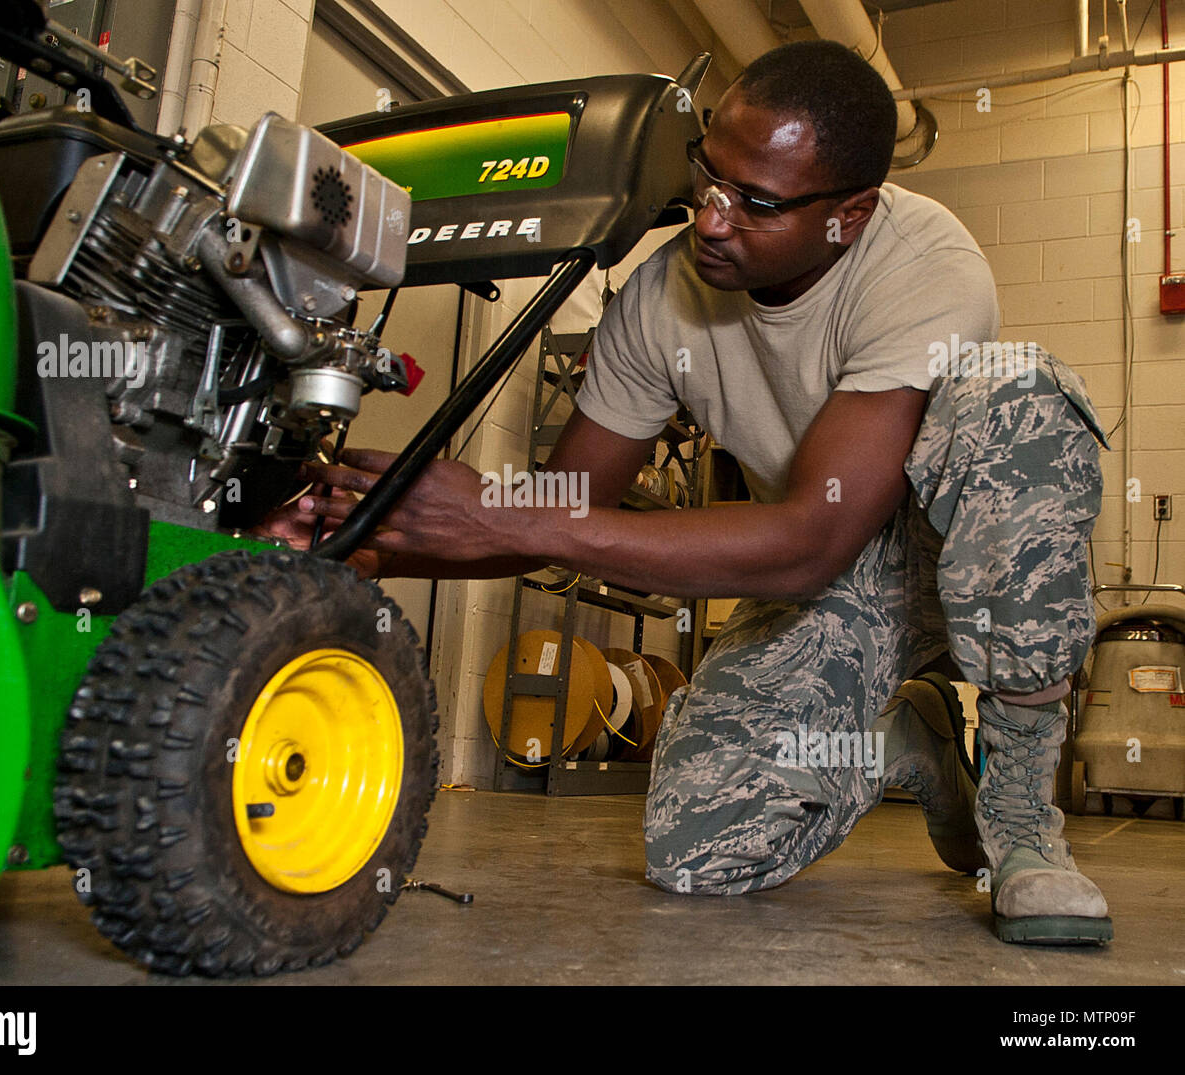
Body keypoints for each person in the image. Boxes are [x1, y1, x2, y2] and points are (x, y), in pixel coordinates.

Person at [261, 40, 1113, 945]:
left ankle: (1020, 822)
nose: (711, 217)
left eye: (757, 202)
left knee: (1018, 394)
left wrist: (502, 511)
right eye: (711, 177)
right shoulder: (662, 302)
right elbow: (560, 511)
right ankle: (906, 745)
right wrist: (373, 534)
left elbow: (808, 539)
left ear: (849, 214)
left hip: (940, 552)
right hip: (829, 588)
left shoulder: (924, 262)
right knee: (695, 849)